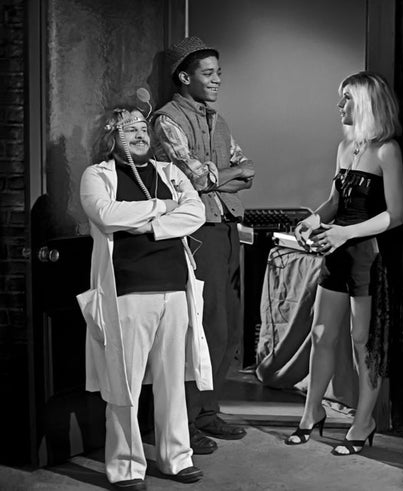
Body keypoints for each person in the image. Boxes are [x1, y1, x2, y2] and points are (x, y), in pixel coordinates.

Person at [78, 107, 210, 489]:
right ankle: (125, 467)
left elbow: (196, 212)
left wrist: (147, 225)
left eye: (142, 128)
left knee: (172, 381)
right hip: (128, 292)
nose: (139, 134)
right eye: (129, 129)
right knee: (125, 384)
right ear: (111, 135)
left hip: (175, 290)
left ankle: (176, 458)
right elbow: (105, 214)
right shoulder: (98, 174)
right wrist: (163, 208)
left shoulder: (169, 172)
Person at [285, 71, 403, 456]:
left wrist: (343, 233)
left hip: (365, 257)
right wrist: (314, 219)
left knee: (362, 342)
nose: (339, 106)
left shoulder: (387, 150)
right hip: (336, 252)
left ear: (367, 102)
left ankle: (363, 422)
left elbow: (396, 216)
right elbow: (336, 202)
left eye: (346, 99)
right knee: (321, 334)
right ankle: (311, 413)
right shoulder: (345, 146)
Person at [152, 36, 254, 454]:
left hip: (227, 225)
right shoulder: (167, 120)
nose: (216, 81)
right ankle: (186, 418)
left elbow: (247, 170)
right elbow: (192, 180)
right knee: (201, 325)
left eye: (218, 74)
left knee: (226, 324)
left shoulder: (218, 119)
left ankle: (208, 410)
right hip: (197, 231)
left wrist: (219, 174)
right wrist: (222, 174)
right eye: (208, 74)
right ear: (184, 76)